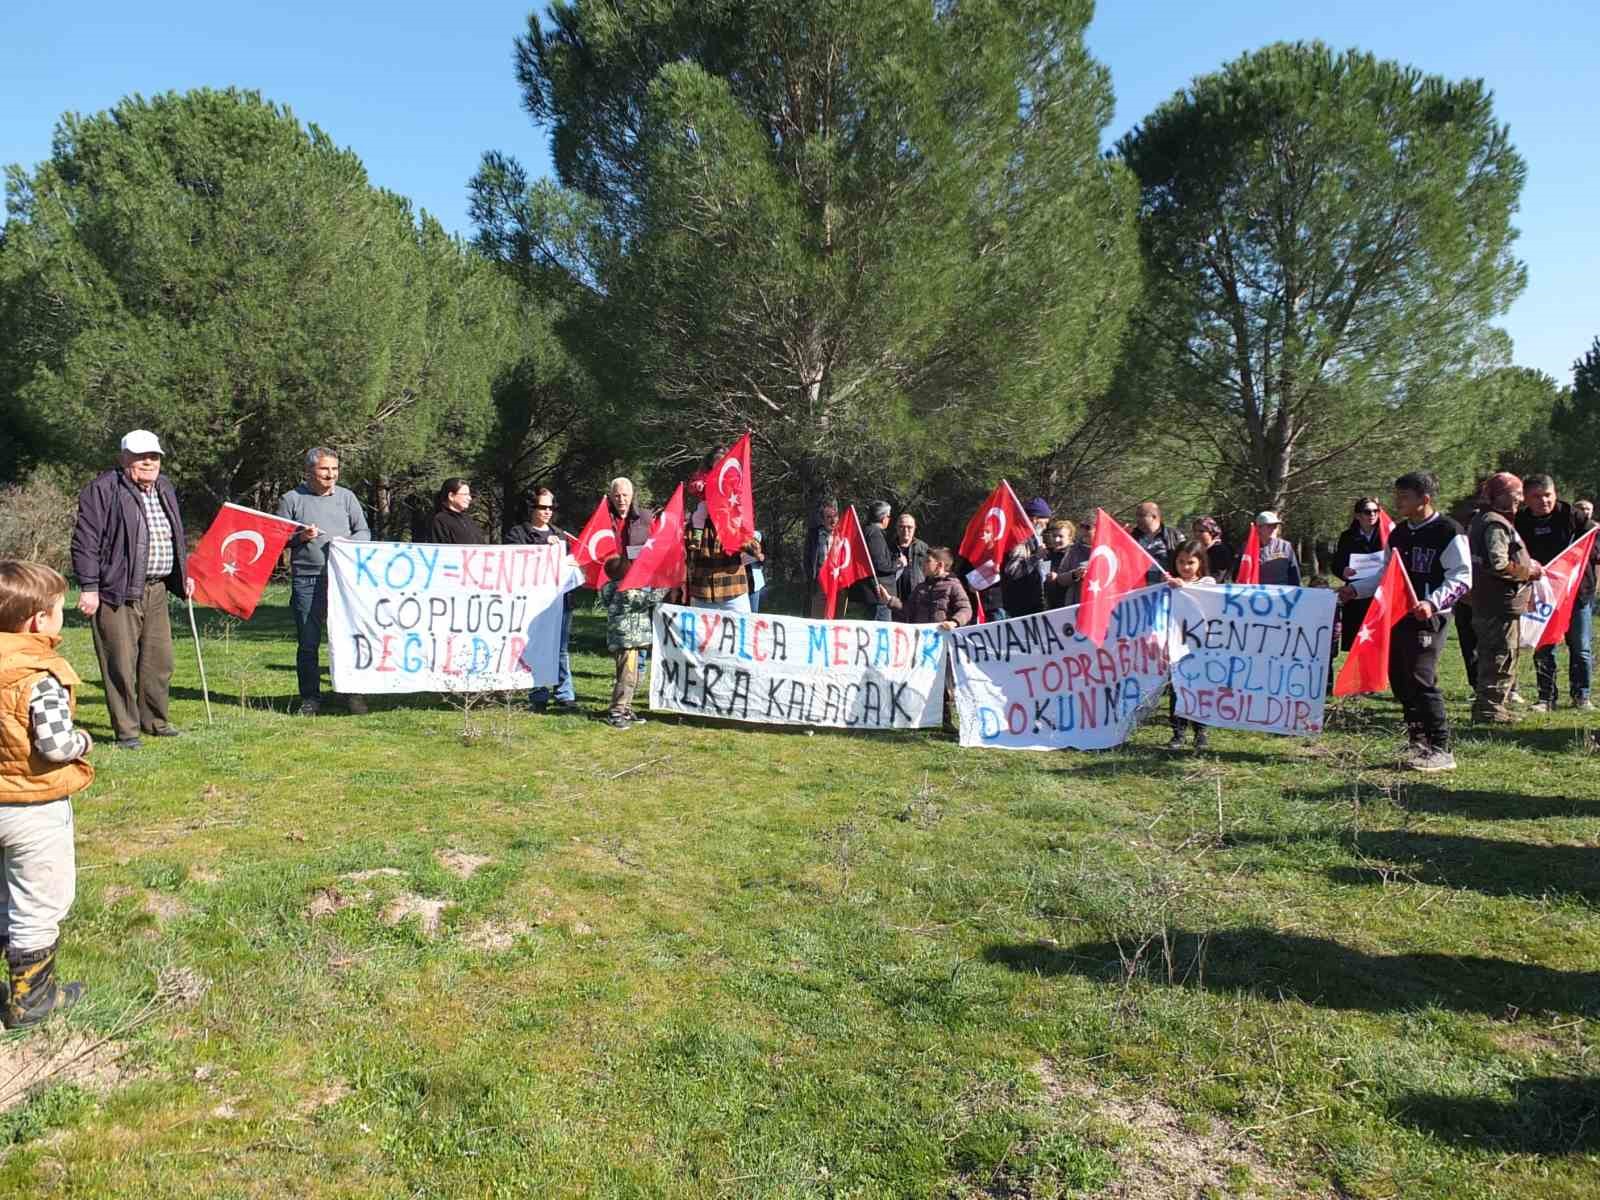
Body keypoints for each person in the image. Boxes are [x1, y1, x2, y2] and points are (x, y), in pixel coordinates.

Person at [0, 561, 93, 1027]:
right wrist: (83, 742)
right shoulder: (41, 674)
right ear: (39, 620)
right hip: (32, 809)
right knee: (38, 901)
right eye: (58, 610)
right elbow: (55, 745)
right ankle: (32, 1001)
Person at [70, 430, 194, 749]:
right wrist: (89, 587)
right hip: (116, 591)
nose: (149, 462)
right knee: (120, 663)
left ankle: (154, 720)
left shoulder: (164, 487)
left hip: (156, 589)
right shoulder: (102, 490)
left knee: (159, 660)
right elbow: (85, 543)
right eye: (141, 456)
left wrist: (184, 574)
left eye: (154, 456)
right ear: (124, 458)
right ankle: (127, 731)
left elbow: (174, 537)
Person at [1342, 471, 1470, 771]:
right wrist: (1354, 590)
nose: (1397, 501)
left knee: (1421, 677)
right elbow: (1386, 576)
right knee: (1400, 678)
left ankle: (1441, 748)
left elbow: (1462, 577)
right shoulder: (1398, 533)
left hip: (1429, 618)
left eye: (1404, 496)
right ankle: (1417, 741)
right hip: (1398, 616)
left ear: (1424, 499)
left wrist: (1432, 602)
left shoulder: (1448, 531)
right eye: (1397, 495)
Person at [277, 447, 372, 717]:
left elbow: (363, 530)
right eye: (324, 469)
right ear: (309, 472)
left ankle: (352, 693)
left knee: (347, 638)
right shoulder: (291, 499)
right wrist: (300, 538)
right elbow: (279, 538)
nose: (331, 474)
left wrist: (348, 544)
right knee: (308, 641)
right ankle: (310, 698)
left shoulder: (347, 497)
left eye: (335, 469)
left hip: (344, 580)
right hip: (307, 579)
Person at [1516, 474, 1598, 710]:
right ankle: (1546, 697)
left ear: (1556, 494)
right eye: (1537, 496)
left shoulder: (1572, 516)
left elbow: (1594, 541)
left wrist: (1575, 560)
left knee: (1580, 646)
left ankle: (1581, 695)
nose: (1544, 501)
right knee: (1544, 646)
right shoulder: (1521, 521)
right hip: (1542, 594)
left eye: (1548, 495)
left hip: (1577, 592)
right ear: (1526, 499)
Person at [1468, 472, 1540, 724]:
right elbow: (1497, 563)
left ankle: (1489, 708)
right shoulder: (1495, 523)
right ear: (1499, 496)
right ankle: (1490, 711)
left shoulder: (1483, 519)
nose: (1521, 498)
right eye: (1516, 493)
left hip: (1490, 601)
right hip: (1498, 603)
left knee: (1493, 655)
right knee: (1500, 656)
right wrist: (1528, 571)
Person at [506, 488, 578, 713]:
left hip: (559, 602)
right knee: (536, 648)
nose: (548, 512)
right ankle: (538, 694)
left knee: (561, 649)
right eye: (543, 507)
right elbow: (513, 560)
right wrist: (542, 550)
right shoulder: (517, 534)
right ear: (532, 508)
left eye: (551, 508)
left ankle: (564, 693)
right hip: (532, 604)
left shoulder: (561, 535)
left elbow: (569, 565)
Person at [686, 452, 763, 612]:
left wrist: (739, 536)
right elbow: (686, 553)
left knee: (741, 636)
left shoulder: (736, 516)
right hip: (703, 594)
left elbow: (754, 550)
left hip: (733, 592)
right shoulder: (697, 518)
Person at [599, 556, 666, 730]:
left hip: (631, 639)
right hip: (627, 641)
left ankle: (626, 709)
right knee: (626, 677)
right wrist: (668, 584)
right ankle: (616, 712)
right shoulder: (626, 590)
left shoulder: (610, 587)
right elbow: (649, 598)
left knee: (633, 676)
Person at [1164, 541, 1216, 750]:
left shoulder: (1208, 582)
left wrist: (1182, 587)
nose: (1185, 567)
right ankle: (1178, 732)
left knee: (1200, 688)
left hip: (1201, 646)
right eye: (1181, 562)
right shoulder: (1170, 584)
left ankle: (1200, 731)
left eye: (1191, 562)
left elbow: (1204, 598)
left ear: (1201, 563)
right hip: (1177, 645)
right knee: (1177, 688)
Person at [1330, 498, 1384, 687]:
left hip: (1379, 595)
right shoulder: (1347, 536)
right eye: (1367, 512)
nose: (1372, 515)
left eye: (1375, 511)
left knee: (1376, 638)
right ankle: (1358, 677)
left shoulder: (1387, 534)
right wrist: (1342, 570)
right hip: (1353, 593)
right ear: (1357, 515)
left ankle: (1372, 678)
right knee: (1358, 638)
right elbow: (1336, 563)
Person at [1001, 498, 1054, 618]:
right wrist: (1036, 557)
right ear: (1035, 519)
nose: (1045, 527)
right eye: (1045, 522)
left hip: (1034, 600)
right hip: (1020, 605)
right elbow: (1013, 571)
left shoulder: (1034, 537)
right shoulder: (1019, 539)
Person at [852, 501, 896, 621]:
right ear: (883, 518)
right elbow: (879, 564)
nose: (889, 519)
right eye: (888, 516)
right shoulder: (874, 533)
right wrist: (898, 563)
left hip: (872, 594)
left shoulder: (865, 532)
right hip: (878, 594)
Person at [889, 512, 930, 618]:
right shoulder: (888, 546)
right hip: (895, 595)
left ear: (915, 528)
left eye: (909, 527)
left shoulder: (923, 547)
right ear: (896, 528)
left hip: (918, 596)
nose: (905, 531)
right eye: (902, 527)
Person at [605, 477, 655, 563]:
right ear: (611, 497)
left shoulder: (645, 517)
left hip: (638, 571)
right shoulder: (604, 518)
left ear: (631, 496)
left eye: (625, 495)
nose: (621, 499)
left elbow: (656, 544)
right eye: (617, 496)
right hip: (611, 572)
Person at [805, 502, 840, 618]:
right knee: (817, 617)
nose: (832, 520)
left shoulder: (842, 533)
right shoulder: (814, 535)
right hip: (820, 581)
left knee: (836, 617)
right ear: (822, 519)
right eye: (828, 517)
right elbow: (807, 558)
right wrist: (811, 576)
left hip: (839, 582)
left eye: (835, 516)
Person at [1042, 519, 1087, 609]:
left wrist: (1058, 577)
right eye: (1054, 536)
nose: (1056, 539)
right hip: (1052, 605)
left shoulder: (1077, 554)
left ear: (1070, 537)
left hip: (1071, 604)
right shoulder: (1047, 555)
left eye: (1060, 536)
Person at [426, 478, 486, 544]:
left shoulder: (468, 519)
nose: (469, 498)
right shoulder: (440, 520)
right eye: (465, 494)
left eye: (469, 495)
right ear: (451, 496)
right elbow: (440, 550)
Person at [1131, 502, 1183, 575]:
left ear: (1154, 517)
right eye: (1137, 516)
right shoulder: (1132, 536)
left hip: (1166, 585)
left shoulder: (1174, 535)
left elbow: (1185, 558)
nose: (1137, 519)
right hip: (1140, 585)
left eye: (1141, 515)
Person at [1253, 512, 1302, 586]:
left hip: (1281, 593)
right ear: (1259, 527)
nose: (1273, 529)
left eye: (1275, 526)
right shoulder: (1248, 548)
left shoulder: (1285, 546)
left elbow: (1294, 575)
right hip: (1257, 593)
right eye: (1269, 526)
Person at [1191, 517, 1234, 583]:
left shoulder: (1220, 550)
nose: (1196, 534)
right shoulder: (1195, 550)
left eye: (1201, 531)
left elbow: (1219, 576)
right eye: (1195, 530)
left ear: (1212, 532)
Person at [745, 531, 768, 613]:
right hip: (736, 581)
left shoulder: (758, 534)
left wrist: (760, 557)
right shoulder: (733, 531)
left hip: (754, 583)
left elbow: (764, 556)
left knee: (753, 614)